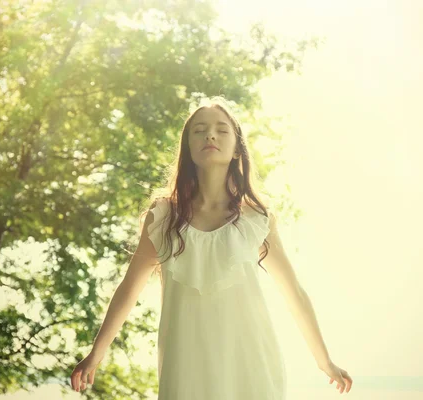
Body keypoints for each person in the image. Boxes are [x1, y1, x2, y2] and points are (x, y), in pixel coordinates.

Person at [70, 98, 352, 398]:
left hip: (250, 363)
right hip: (186, 366)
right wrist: (96, 353)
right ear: (188, 149)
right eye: (199, 130)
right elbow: (129, 289)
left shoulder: (256, 218)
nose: (210, 135)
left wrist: (325, 362)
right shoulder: (163, 216)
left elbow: (293, 292)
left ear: (236, 149)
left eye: (221, 130)